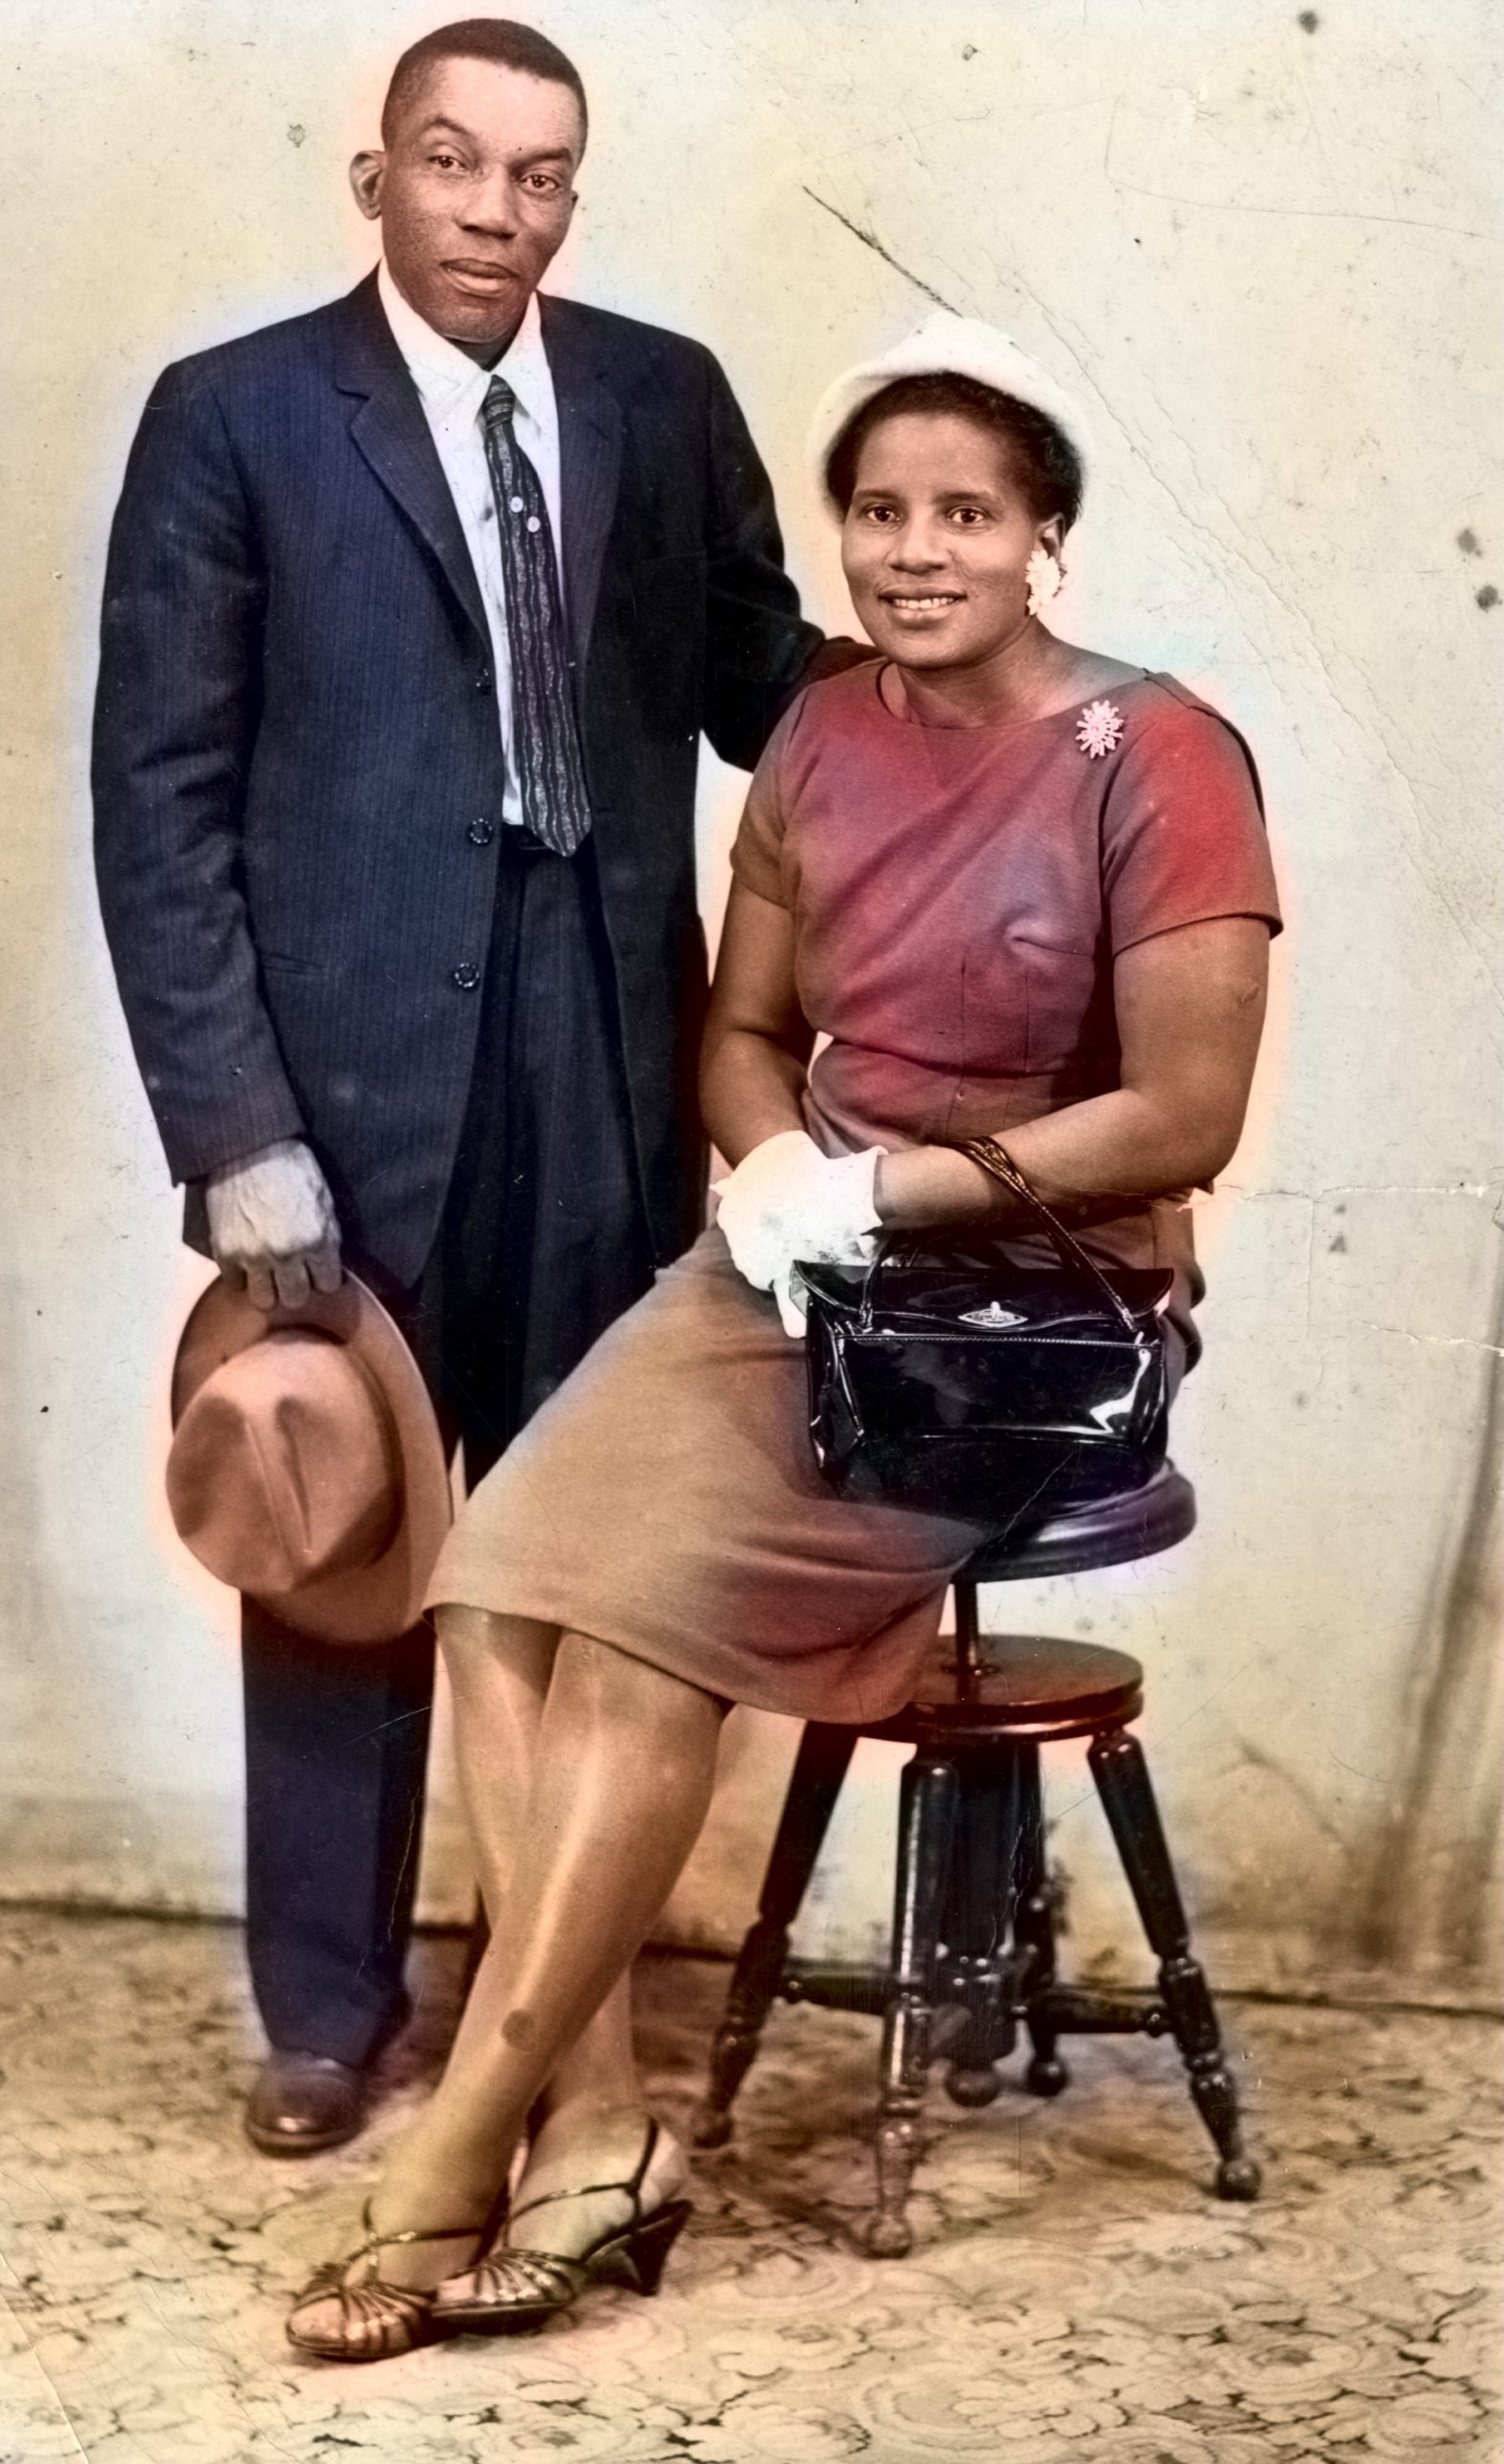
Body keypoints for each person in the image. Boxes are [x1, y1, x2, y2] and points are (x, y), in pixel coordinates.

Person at [282, 310, 1283, 2362]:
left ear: (1046, 536)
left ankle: (463, 2139)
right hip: (798, 1270)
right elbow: (743, 1031)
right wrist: (764, 1172)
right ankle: (603, 2117)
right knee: (488, 1583)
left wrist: (882, 1193)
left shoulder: (1155, 751)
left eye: (968, 513)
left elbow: (1182, 1114)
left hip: (1022, 1308)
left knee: (638, 1622)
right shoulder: (820, 739)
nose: (919, 549)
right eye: (882, 511)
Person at [91, 17, 845, 2158]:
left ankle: (548, 2000)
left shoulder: (657, 398)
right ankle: (328, 2006)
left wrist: (937, 672)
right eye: (454, 164)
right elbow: (157, 805)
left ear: (570, 200)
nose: (496, 212)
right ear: (377, 181)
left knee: (581, 1538)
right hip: (346, 1084)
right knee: (340, 1517)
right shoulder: (235, 421)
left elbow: (756, 692)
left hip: (606, 1040)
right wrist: (236, 1130)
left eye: (538, 177)